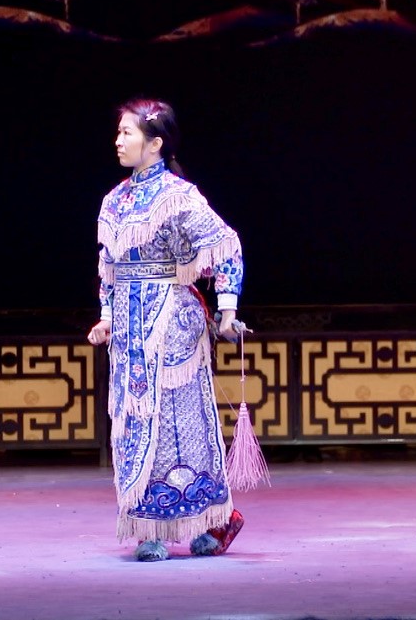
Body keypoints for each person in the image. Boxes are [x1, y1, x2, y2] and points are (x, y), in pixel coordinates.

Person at [87, 98, 248, 562]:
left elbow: (227, 248)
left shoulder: (180, 196)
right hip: (130, 332)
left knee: (182, 426)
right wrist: (107, 317)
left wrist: (228, 310)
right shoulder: (114, 200)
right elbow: (108, 270)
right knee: (133, 424)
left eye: (127, 133)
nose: (118, 140)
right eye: (117, 132)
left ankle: (205, 522)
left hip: (172, 325)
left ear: (155, 144)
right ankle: (148, 527)